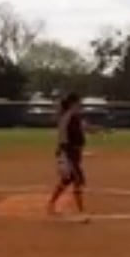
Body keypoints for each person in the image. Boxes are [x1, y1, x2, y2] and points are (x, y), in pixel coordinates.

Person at [46, 93, 89, 221]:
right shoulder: (70, 117)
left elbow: (80, 130)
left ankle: (51, 203)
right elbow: (70, 136)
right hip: (69, 153)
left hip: (71, 153)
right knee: (77, 180)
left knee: (68, 180)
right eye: (78, 103)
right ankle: (81, 212)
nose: (80, 106)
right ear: (72, 104)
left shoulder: (70, 116)